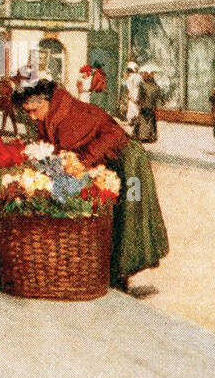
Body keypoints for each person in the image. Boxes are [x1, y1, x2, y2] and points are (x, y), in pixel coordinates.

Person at [14, 77, 168, 292]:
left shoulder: (72, 114)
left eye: (34, 110)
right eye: (27, 112)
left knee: (131, 213)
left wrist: (83, 162)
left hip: (129, 162)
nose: (31, 116)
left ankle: (127, 274)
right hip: (107, 161)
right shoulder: (51, 115)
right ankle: (112, 274)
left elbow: (112, 136)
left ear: (46, 102)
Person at [136, 67, 162, 144]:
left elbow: (139, 96)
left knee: (143, 120)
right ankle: (150, 136)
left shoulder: (142, 85)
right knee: (150, 121)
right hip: (151, 106)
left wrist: (139, 103)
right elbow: (158, 98)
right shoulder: (156, 86)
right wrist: (157, 106)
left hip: (144, 105)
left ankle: (142, 136)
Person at [118, 62, 142, 130]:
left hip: (133, 93)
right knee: (134, 107)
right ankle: (133, 120)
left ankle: (132, 120)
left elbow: (129, 86)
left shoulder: (132, 77)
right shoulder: (139, 76)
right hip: (136, 93)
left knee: (132, 106)